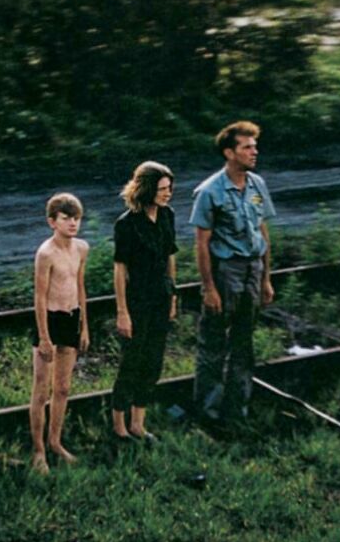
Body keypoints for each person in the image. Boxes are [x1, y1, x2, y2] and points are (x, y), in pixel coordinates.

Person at [190, 120, 276, 424]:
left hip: (253, 269)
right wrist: (209, 287)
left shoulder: (257, 185)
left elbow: (262, 231)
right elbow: (201, 243)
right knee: (214, 342)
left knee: (244, 341)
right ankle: (208, 413)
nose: (254, 151)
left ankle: (237, 410)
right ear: (229, 152)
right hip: (226, 271)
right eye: (247, 147)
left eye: (255, 146)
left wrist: (266, 278)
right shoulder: (210, 192)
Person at [111, 163, 177, 444]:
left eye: (169, 189)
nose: (168, 194)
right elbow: (120, 269)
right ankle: (118, 426)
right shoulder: (126, 223)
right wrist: (122, 312)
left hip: (161, 298)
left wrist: (173, 295)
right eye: (162, 189)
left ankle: (138, 423)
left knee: (153, 362)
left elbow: (170, 257)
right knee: (132, 362)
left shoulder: (167, 216)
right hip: (137, 300)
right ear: (147, 189)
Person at [29, 193, 90, 473]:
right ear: (52, 222)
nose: (72, 223)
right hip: (49, 320)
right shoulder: (45, 253)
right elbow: (40, 297)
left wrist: (84, 326)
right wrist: (43, 337)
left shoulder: (81, 248)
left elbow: (80, 287)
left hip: (71, 318)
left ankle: (55, 441)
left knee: (63, 387)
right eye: (66, 218)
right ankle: (38, 450)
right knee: (41, 389)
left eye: (76, 218)